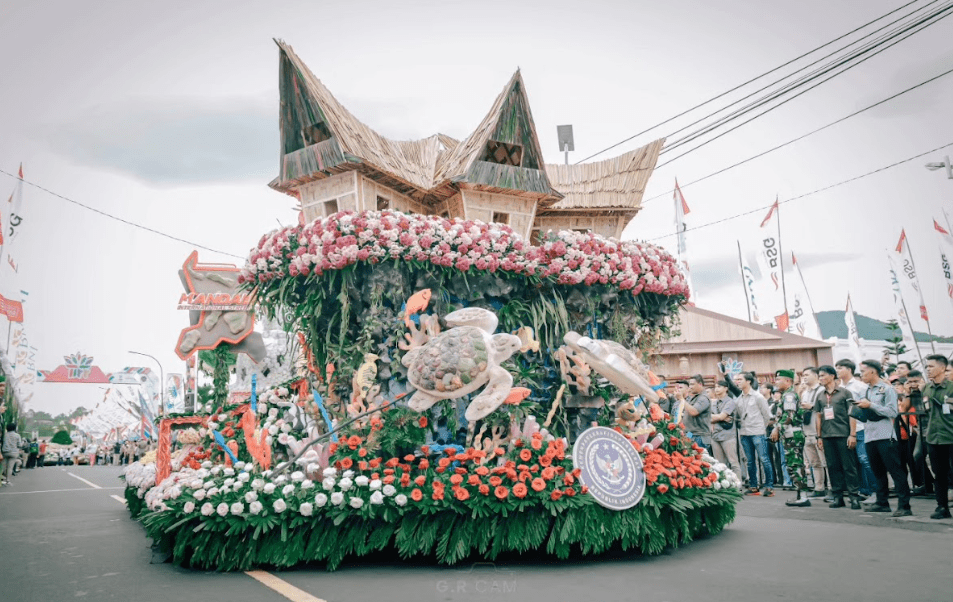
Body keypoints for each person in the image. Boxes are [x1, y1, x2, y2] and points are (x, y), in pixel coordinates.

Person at [855, 360, 911, 517]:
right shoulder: (865, 390)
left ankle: (904, 505)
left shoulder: (887, 389)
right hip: (870, 435)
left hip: (886, 435)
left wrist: (871, 406)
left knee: (895, 471)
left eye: (863, 372)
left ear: (873, 372)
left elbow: (893, 412)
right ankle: (882, 502)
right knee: (877, 471)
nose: (861, 375)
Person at [815, 365, 861, 509]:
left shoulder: (845, 393)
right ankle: (838, 497)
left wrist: (852, 434)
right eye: (819, 376)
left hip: (843, 434)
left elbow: (852, 414)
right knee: (832, 467)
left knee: (849, 467)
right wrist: (819, 437)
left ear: (832, 376)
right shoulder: (820, 396)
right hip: (827, 436)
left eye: (823, 375)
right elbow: (818, 416)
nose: (821, 378)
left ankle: (854, 497)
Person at [836, 359, 876, 499]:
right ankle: (863, 490)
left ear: (849, 369)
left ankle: (876, 490)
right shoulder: (838, 388)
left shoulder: (860, 386)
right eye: (836, 368)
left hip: (861, 428)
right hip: (844, 430)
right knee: (853, 462)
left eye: (840, 368)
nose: (838, 370)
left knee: (864, 459)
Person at [770, 369, 810, 507]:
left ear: (788, 381)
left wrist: (777, 428)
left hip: (793, 433)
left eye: (778, 379)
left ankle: (803, 496)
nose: (776, 382)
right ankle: (800, 494)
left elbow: (789, 416)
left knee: (796, 464)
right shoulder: (786, 395)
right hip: (789, 434)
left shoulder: (789, 396)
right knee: (792, 465)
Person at [921, 354, 953, 519]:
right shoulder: (927, 389)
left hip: (951, 436)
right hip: (934, 437)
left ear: (942, 368)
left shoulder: (952, 387)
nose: (928, 369)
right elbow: (926, 411)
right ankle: (942, 507)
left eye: (931, 366)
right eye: (927, 367)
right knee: (939, 474)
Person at [734, 372, 774, 496]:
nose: (737, 382)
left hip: (758, 432)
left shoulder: (758, 397)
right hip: (744, 433)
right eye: (736, 380)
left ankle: (769, 487)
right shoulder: (738, 399)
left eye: (740, 379)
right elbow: (738, 417)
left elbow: (767, 416)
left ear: (749, 381)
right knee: (750, 461)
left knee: (764, 459)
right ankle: (753, 486)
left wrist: (762, 428)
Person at [799, 367, 828, 498]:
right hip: (807, 431)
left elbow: (826, 409)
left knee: (825, 462)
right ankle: (819, 488)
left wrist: (811, 406)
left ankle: (832, 489)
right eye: (803, 375)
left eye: (807, 375)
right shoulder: (805, 392)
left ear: (816, 376)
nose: (804, 377)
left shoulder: (822, 390)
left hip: (819, 432)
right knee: (814, 463)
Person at [906, 369, 935, 497]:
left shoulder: (930, 390)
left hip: (935, 428)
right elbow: (904, 409)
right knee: (917, 455)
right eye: (910, 382)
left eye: (916, 381)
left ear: (922, 380)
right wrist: (907, 393)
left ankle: (946, 485)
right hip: (922, 430)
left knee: (937, 459)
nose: (913, 384)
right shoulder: (912, 393)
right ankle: (929, 483)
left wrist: (923, 389)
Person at [710, 377, 742, 480]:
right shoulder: (713, 402)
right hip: (715, 436)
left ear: (726, 388)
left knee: (733, 462)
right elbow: (706, 419)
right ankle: (724, 486)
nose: (716, 389)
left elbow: (721, 417)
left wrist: (718, 417)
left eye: (719, 387)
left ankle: (738, 485)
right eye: (715, 387)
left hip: (728, 436)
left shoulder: (730, 402)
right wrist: (719, 417)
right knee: (719, 464)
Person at [682, 375, 712, 453]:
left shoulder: (703, 398)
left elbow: (693, 412)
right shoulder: (694, 397)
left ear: (700, 384)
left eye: (692, 384)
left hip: (699, 437)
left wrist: (681, 399)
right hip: (690, 434)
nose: (690, 387)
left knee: (701, 462)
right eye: (689, 385)